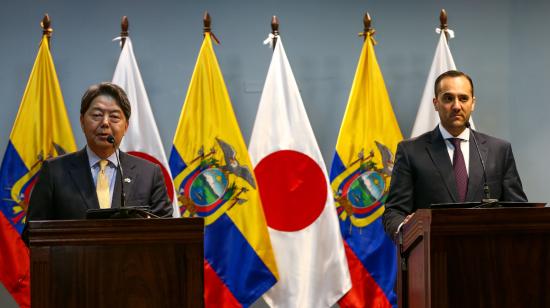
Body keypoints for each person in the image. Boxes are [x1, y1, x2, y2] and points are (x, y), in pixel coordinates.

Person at [382, 70, 527, 237]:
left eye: (463, 98)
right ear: (436, 103)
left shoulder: (499, 150)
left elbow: (519, 210)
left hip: (489, 254)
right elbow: (394, 211)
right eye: (448, 98)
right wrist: (405, 229)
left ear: (473, 103)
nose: (457, 106)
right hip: (434, 254)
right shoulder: (410, 151)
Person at [26, 82, 173, 221]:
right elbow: (33, 233)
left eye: (114, 117)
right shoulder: (54, 172)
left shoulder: (149, 173)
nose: (105, 123)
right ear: (82, 121)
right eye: (97, 115)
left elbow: (166, 232)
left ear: (126, 126)